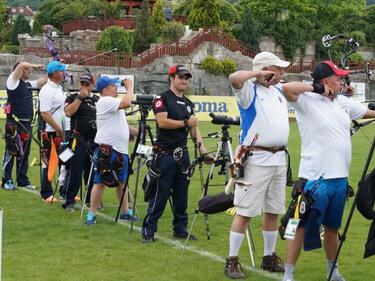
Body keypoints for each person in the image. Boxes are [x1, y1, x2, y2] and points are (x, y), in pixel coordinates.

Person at [281, 61, 375, 281]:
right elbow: (287, 89)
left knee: (332, 228)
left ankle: (333, 271)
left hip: (339, 179)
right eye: (338, 77)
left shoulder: (343, 102)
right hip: (314, 178)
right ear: (325, 81)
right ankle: (288, 274)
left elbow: (368, 112)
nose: (341, 81)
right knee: (298, 227)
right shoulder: (307, 100)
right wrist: (316, 89)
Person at [224, 52, 290, 279]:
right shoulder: (248, 90)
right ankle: (232, 260)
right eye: (277, 69)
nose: (281, 73)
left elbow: (302, 87)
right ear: (264, 70)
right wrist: (258, 74)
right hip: (256, 159)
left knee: (273, 210)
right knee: (245, 211)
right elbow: (234, 78)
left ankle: (269, 257)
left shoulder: (279, 90)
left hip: (279, 158)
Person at [141, 65, 214, 243]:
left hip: (183, 155)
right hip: (164, 155)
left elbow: (194, 130)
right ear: (171, 77)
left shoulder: (189, 104)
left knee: (182, 195)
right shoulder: (162, 98)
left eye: (187, 78)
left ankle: (180, 228)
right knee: (160, 194)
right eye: (181, 77)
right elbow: (163, 122)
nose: (184, 80)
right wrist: (186, 123)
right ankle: (148, 231)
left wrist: (204, 151)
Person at [85, 76, 135, 225]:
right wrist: (129, 87)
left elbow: (123, 124)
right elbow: (127, 102)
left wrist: (139, 132)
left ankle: (125, 212)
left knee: (122, 182)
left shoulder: (113, 104)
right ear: (105, 89)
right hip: (108, 150)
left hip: (120, 149)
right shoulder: (105, 101)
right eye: (113, 86)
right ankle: (91, 213)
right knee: (100, 182)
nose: (116, 88)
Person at [2, 62, 47, 190]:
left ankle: (22, 180)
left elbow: (42, 81)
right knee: (11, 151)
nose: (30, 71)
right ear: (19, 70)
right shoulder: (12, 82)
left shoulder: (26, 84)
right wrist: (36, 65)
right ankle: (7, 180)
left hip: (26, 123)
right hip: (14, 123)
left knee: (24, 153)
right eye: (27, 70)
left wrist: (53, 67)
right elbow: (21, 64)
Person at [62, 73, 99, 211]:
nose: (84, 86)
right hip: (78, 141)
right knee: (75, 171)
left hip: (94, 141)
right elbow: (68, 113)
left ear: (92, 84)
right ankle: (69, 200)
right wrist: (79, 98)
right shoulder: (72, 97)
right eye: (82, 83)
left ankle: (91, 200)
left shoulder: (97, 99)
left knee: (93, 172)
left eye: (87, 84)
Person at [39, 61, 71, 202]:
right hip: (52, 131)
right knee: (49, 161)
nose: (64, 73)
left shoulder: (58, 88)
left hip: (63, 130)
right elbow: (45, 113)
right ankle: (46, 193)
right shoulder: (46, 90)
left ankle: (64, 190)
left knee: (65, 160)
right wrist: (58, 129)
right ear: (54, 74)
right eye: (61, 71)